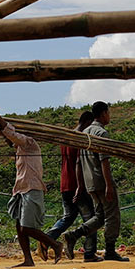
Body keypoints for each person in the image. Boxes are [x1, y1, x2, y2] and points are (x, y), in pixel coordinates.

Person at [0, 113, 62, 267]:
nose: (6, 140)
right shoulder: (20, 150)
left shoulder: (29, 143)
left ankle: (55, 245)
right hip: (21, 191)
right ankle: (28, 259)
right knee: (19, 227)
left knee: (27, 227)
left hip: (32, 189)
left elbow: (11, 134)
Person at [64, 100, 127, 262]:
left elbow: (79, 162)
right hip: (102, 181)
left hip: (90, 183)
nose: (109, 117)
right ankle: (110, 250)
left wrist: (82, 185)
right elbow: (104, 161)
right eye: (109, 113)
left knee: (99, 216)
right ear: (104, 113)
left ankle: (74, 235)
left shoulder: (84, 133)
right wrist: (109, 185)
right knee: (112, 216)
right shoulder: (101, 133)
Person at [45, 109, 99, 261]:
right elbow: (78, 164)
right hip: (78, 185)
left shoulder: (66, 137)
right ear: (88, 122)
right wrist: (80, 187)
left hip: (65, 184)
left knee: (68, 217)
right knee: (90, 219)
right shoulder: (80, 139)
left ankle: (46, 239)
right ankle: (89, 253)